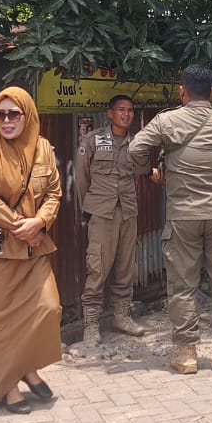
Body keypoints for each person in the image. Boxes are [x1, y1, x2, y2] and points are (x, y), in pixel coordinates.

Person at [130, 65, 212, 374]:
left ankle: (187, 355)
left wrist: (148, 171)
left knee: (182, 286)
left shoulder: (166, 121)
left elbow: (135, 148)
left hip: (183, 216)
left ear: (182, 91)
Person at [0, 87, 63, 414]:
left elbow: (54, 192)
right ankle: (8, 386)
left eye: (13, 114)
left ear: (27, 115)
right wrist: (22, 227)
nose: (6, 121)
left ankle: (26, 367)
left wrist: (41, 221)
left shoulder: (43, 148)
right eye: (0, 114)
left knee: (48, 308)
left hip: (34, 249)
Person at [75, 94, 146, 345]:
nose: (126, 114)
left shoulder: (135, 142)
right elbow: (81, 178)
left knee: (125, 267)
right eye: (121, 109)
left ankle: (122, 317)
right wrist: (90, 208)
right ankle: (91, 325)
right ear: (109, 113)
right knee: (98, 268)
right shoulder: (93, 140)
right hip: (102, 213)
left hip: (128, 212)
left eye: (130, 110)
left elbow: (142, 169)